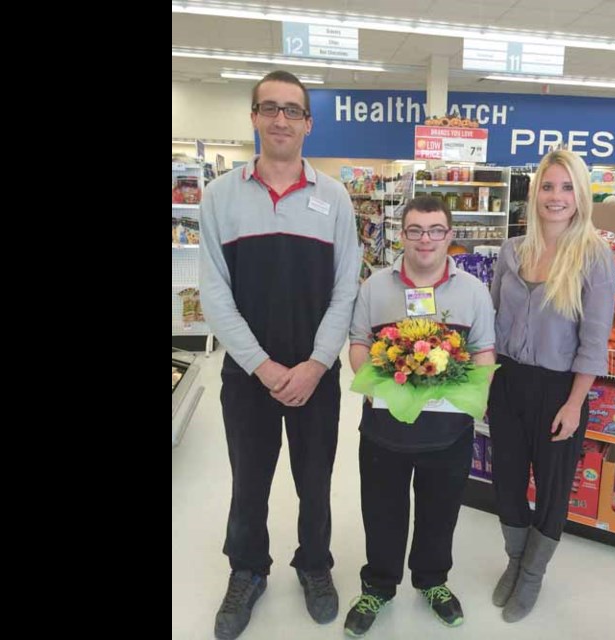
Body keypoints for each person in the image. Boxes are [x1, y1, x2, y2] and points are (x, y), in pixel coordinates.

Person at [198, 70, 361, 640]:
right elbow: (215, 294)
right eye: (270, 108)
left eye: (292, 110)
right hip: (249, 376)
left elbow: (347, 288)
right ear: (253, 117)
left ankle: (315, 565)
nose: (281, 119)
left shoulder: (334, 197)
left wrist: (317, 363)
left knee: (315, 481)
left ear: (309, 123)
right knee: (249, 481)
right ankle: (246, 569)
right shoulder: (219, 196)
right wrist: (262, 366)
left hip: (316, 376)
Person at [345, 196, 496, 637]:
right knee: (381, 510)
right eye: (415, 230)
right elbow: (357, 342)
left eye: (435, 230)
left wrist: (479, 393)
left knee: (440, 512)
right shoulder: (375, 287)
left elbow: (484, 350)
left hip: (449, 433)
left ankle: (432, 581)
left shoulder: (472, 291)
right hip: (384, 431)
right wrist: (376, 387)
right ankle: (379, 584)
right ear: (402, 234)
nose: (425, 239)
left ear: (450, 236)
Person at [488, 149, 615, 622]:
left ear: (581, 194)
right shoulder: (512, 250)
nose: (556, 197)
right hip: (506, 382)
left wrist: (576, 402)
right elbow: (494, 319)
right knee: (505, 480)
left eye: (566, 187)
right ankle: (515, 559)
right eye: (547, 186)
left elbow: (595, 341)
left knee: (553, 486)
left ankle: (533, 574)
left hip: (560, 390)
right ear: (534, 192)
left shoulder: (594, 257)